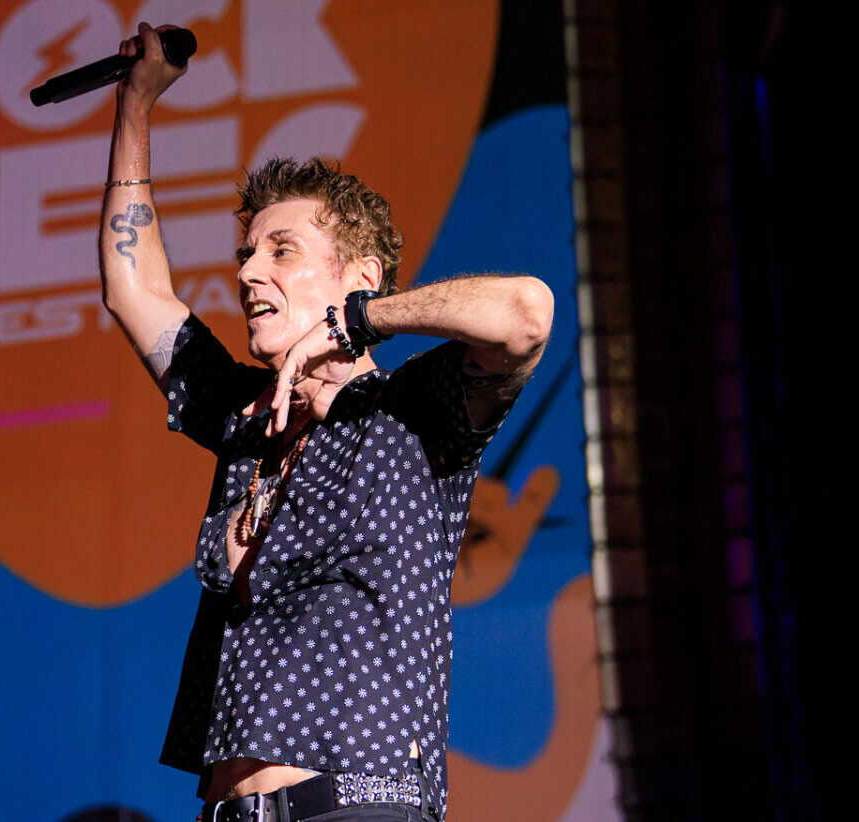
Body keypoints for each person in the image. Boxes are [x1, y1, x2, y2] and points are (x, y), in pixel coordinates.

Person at [98, 23, 554, 822]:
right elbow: (134, 292)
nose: (249, 272)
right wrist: (135, 107)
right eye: (246, 254)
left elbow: (526, 314)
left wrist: (356, 323)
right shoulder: (246, 419)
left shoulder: (411, 413)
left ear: (360, 274)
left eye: (282, 251)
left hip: (355, 804)